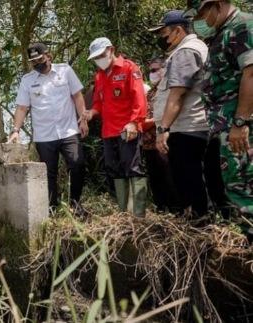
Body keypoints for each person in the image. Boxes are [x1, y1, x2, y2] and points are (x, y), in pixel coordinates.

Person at [185, 0, 253, 231]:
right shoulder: (221, 33)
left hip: (240, 128)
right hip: (224, 127)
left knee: (244, 187)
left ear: (216, 4)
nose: (197, 21)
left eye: (200, 13)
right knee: (233, 187)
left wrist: (240, 122)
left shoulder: (242, 26)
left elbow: (251, 74)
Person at [8, 43, 89, 212]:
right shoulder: (27, 80)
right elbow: (22, 107)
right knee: (49, 174)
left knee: (77, 164)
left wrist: (82, 119)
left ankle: (75, 203)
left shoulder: (65, 71)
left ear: (48, 56)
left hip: (68, 131)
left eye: (40, 59)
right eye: (33, 62)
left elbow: (77, 96)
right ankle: (52, 208)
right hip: (44, 135)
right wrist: (16, 130)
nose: (37, 63)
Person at [149, 10, 213, 219]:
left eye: (164, 33)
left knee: (189, 179)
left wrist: (164, 129)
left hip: (187, 128)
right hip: (188, 127)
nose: (162, 38)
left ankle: (199, 222)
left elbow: (177, 94)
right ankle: (197, 219)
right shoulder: (189, 50)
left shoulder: (186, 52)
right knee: (190, 178)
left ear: (178, 30)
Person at [84, 37, 148, 217]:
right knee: (113, 169)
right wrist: (91, 113)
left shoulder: (129, 68)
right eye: (96, 58)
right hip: (108, 131)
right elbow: (98, 104)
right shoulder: (100, 76)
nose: (99, 60)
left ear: (111, 50)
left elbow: (139, 99)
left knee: (133, 167)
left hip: (128, 129)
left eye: (101, 55)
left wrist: (135, 122)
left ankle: (138, 214)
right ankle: (123, 212)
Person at [141, 57, 180, 213]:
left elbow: (168, 113)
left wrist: (147, 122)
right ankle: (161, 211)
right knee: (156, 180)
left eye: (155, 70)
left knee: (170, 178)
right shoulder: (149, 93)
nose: (152, 73)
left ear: (165, 69)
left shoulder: (172, 90)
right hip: (148, 143)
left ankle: (177, 211)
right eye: (150, 70)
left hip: (165, 141)